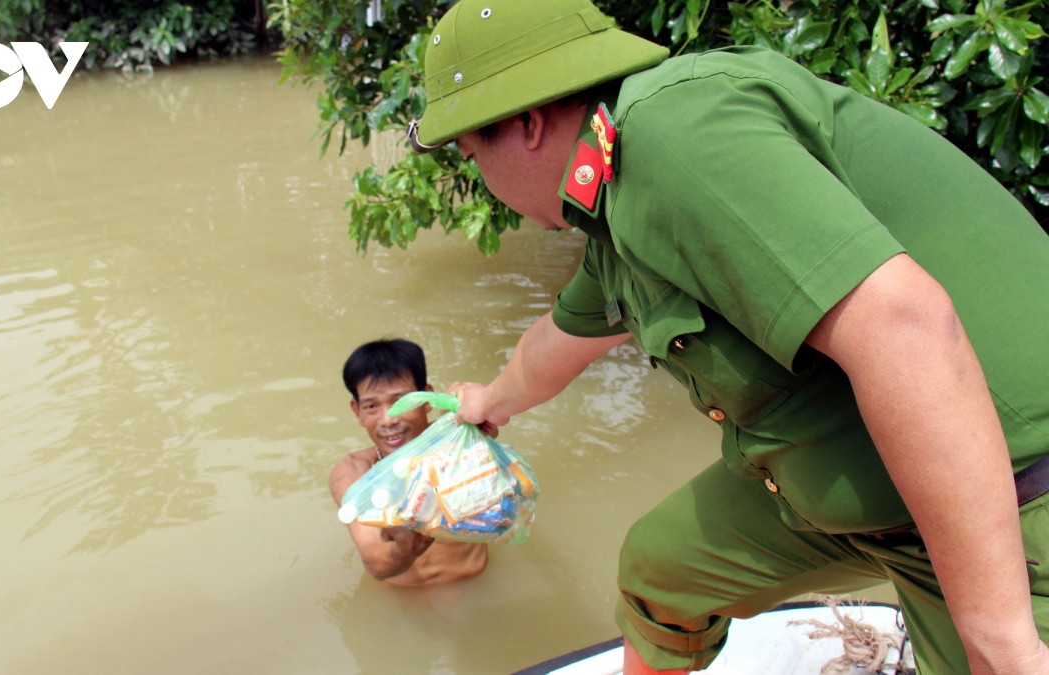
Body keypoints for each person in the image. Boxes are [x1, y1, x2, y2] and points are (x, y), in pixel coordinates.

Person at [405, 0, 1049, 672]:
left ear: (529, 122)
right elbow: (552, 346)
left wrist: (1001, 635)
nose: (483, 181)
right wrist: (488, 401)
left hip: (1005, 508)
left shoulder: (671, 132)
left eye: (474, 152)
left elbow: (904, 324)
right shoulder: (612, 205)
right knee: (661, 570)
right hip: (844, 496)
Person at [329, 338, 489, 586]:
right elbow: (373, 561)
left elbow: (487, 421)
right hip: (406, 603)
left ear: (426, 400)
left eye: (400, 402)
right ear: (357, 411)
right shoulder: (355, 474)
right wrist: (406, 549)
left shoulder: (456, 440)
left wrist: (472, 401)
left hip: (479, 587)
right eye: (371, 406)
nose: (388, 419)